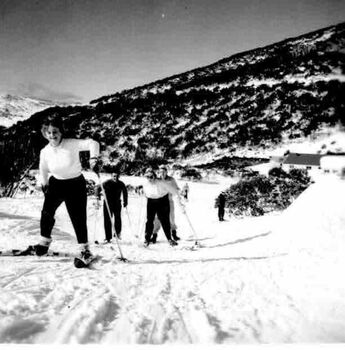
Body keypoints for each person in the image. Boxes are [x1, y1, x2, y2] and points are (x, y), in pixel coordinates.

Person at [34, 115, 100, 263]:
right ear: (45, 133)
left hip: (75, 184)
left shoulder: (72, 144)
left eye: (55, 132)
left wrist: (94, 159)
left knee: (78, 217)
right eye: (49, 132)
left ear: (61, 132)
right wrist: (44, 183)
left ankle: (84, 249)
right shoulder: (45, 151)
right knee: (46, 213)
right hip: (56, 184)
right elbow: (43, 168)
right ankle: (44, 242)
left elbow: (93, 143)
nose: (52, 135)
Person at [141, 167, 184, 247]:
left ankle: (169, 239)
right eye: (147, 177)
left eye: (151, 176)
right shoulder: (145, 183)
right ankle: (147, 239)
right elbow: (145, 193)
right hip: (151, 201)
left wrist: (180, 201)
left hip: (162, 201)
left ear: (154, 176)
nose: (149, 179)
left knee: (165, 220)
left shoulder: (161, 182)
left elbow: (174, 191)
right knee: (149, 221)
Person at [151, 165, 181, 243]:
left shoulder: (171, 180)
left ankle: (174, 233)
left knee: (171, 217)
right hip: (159, 202)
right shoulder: (157, 180)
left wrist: (178, 194)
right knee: (157, 219)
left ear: (166, 172)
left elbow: (176, 189)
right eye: (161, 172)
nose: (162, 173)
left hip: (169, 201)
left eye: (164, 172)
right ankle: (154, 235)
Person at [97, 170, 128, 242]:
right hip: (108, 204)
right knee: (107, 220)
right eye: (114, 176)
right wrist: (98, 197)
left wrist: (125, 201)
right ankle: (108, 237)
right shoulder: (107, 183)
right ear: (111, 176)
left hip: (117, 203)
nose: (115, 177)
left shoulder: (121, 183)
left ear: (119, 176)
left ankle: (117, 234)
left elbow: (125, 192)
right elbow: (98, 188)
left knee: (117, 218)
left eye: (117, 176)